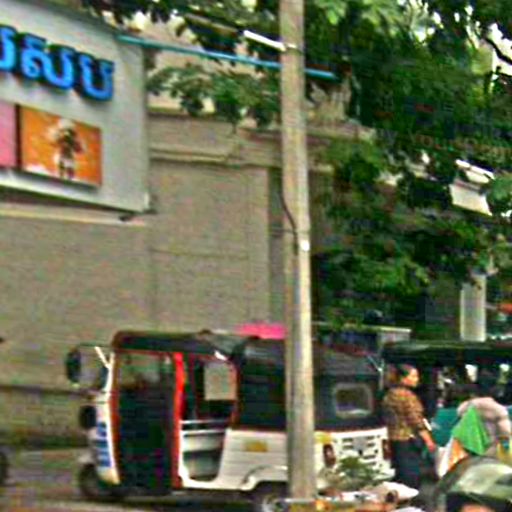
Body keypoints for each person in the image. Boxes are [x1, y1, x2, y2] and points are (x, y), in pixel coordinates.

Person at [382, 364, 436, 489]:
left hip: (393, 436)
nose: (417, 379)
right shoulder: (407, 396)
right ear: (403, 378)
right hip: (408, 437)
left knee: (400, 470)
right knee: (411, 471)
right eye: (413, 376)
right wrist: (429, 440)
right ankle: (411, 495)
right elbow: (416, 420)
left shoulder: (389, 394)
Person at [457, 382, 511, 455]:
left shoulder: (463, 407)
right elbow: (506, 432)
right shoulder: (498, 409)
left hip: (467, 452)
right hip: (491, 452)